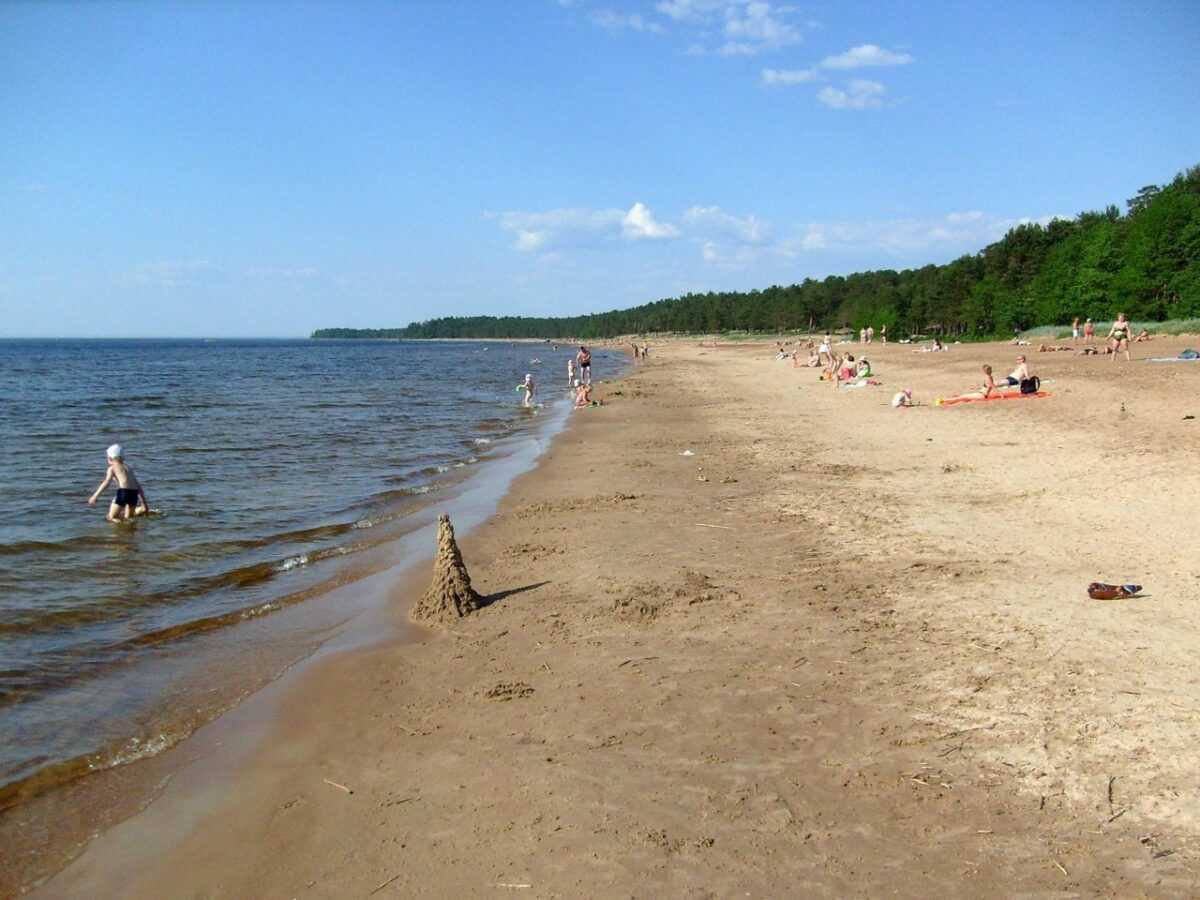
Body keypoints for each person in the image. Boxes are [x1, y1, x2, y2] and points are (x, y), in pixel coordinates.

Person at [88, 443, 148, 522]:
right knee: (128, 518)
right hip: (134, 493)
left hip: (123, 492)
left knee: (111, 517)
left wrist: (95, 496)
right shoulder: (128, 468)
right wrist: (144, 503)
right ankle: (130, 529)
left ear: (110, 458)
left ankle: (120, 526)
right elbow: (138, 486)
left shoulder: (112, 468)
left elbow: (106, 482)